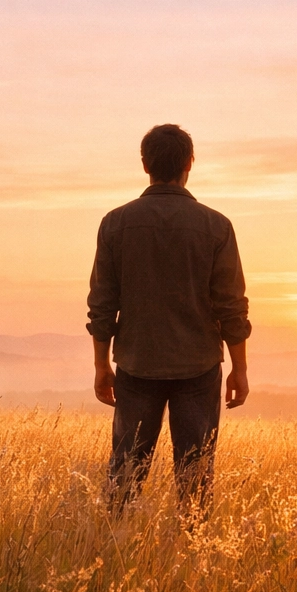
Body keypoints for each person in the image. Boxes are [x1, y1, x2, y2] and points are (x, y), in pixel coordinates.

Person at [86, 124, 251, 512]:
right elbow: (231, 306)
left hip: (136, 364)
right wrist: (240, 368)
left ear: (145, 164)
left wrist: (100, 365)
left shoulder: (115, 223)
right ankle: (194, 555)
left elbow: (102, 305)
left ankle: (115, 546)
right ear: (190, 163)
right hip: (198, 368)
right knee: (196, 476)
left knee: (125, 475)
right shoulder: (216, 226)